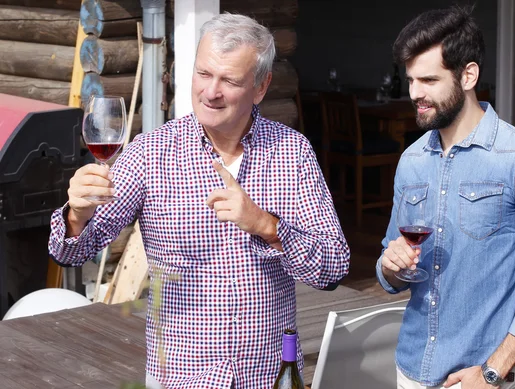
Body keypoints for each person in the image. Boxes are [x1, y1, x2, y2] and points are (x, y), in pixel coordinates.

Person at [48, 13, 350, 389]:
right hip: (182, 377)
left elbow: (333, 268)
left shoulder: (292, 152)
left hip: (268, 375)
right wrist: (77, 212)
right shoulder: (151, 153)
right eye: (203, 74)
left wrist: (265, 225)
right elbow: (71, 251)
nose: (210, 92)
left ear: (260, 86)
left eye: (229, 80)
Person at [376, 6, 515, 389]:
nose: (415, 93)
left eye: (429, 80)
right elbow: (391, 270)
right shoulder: (411, 161)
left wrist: (492, 371)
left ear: (468, 75)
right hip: (411, 368)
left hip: (485, 378)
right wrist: (390, 263)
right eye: (411, 79)